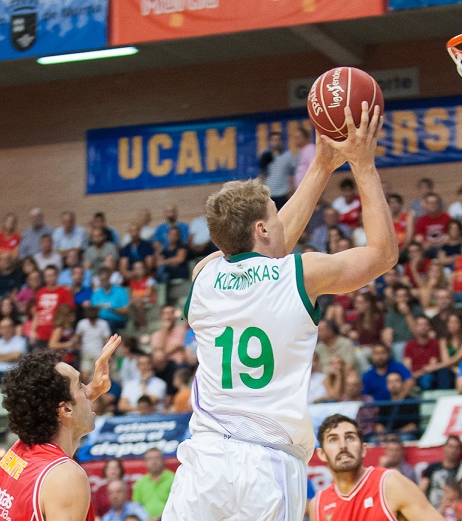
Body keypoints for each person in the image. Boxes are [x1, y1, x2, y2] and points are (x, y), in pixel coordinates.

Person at [163, 105, 396, 520]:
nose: (281, 217)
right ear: (262, 229)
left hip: (205, 460)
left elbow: (267, 243)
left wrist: (321, 166)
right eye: (274, 210)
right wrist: (362, 164)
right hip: (267, 465)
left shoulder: (203, 274)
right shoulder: (300, 274)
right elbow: (382, 254)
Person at [0, 335, 120, 521]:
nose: (87, 392)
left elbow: (50, 407)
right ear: (65, 408)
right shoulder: (66, 477)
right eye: (81, 386)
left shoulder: (18, 451)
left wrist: (94, 389)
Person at [309, 414, 443, 521]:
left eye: (350, 438)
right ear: (321, 454)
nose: (343, 445)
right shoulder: (318, 504)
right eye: (333, 439)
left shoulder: (390, 484)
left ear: (363, 449)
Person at [421, 435, 462, 508]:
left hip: (453, 511)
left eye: (456, 447)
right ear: (445, 447)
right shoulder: (432, 467)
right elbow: (421, 490)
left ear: (460, 450)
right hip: (431, 509)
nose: (453, 450)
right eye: (450, 446)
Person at [0, 317, 27, 384]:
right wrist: (8, 356)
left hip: (11, 374)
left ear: (13, 328)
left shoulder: (20, 341)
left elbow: (16, 356)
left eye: (8, 327)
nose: (5, 330)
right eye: (2, 328)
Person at [132, 448, 174, 519]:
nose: (154, 461)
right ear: (145, 462)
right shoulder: (140, 483)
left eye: (157, 458)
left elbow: (178, 504)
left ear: (163, 460)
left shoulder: (173, 479)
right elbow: (136, 507)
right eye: (150, 459)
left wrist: (159, 517)